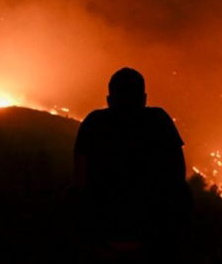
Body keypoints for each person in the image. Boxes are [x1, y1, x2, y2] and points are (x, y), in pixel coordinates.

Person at [70, 67, 191, 263]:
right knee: (185, 193)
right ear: (144, 99)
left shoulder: (93, 123)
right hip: (153, 231)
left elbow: (79, 180)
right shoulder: (159, 121)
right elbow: (178, 174)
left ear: (109, 100)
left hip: (102, 230)